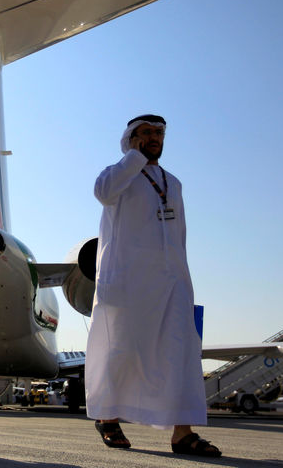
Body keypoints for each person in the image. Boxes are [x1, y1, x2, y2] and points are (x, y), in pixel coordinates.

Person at [85, 114, 221, 457]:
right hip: (127, 282)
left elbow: (180, 234)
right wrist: (133, 157)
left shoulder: (173, 183)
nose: (153, 137)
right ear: (131, 138)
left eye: (158, 132)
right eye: (145, 133)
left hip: (171, 282)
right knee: (122, 351)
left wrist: (183, 277)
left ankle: (183, 434)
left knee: (180, 351)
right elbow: (102, 193)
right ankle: (108, 416)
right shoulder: (119, 174)